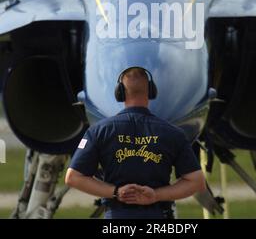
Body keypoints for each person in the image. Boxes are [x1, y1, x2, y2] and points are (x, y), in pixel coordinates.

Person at [65, 67, 206, 219]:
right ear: (151, 92)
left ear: (120, 93)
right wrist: (156, 195)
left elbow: (73, 178)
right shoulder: (173, 134)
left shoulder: (98, 131)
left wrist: (116, 192)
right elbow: (196, 182)